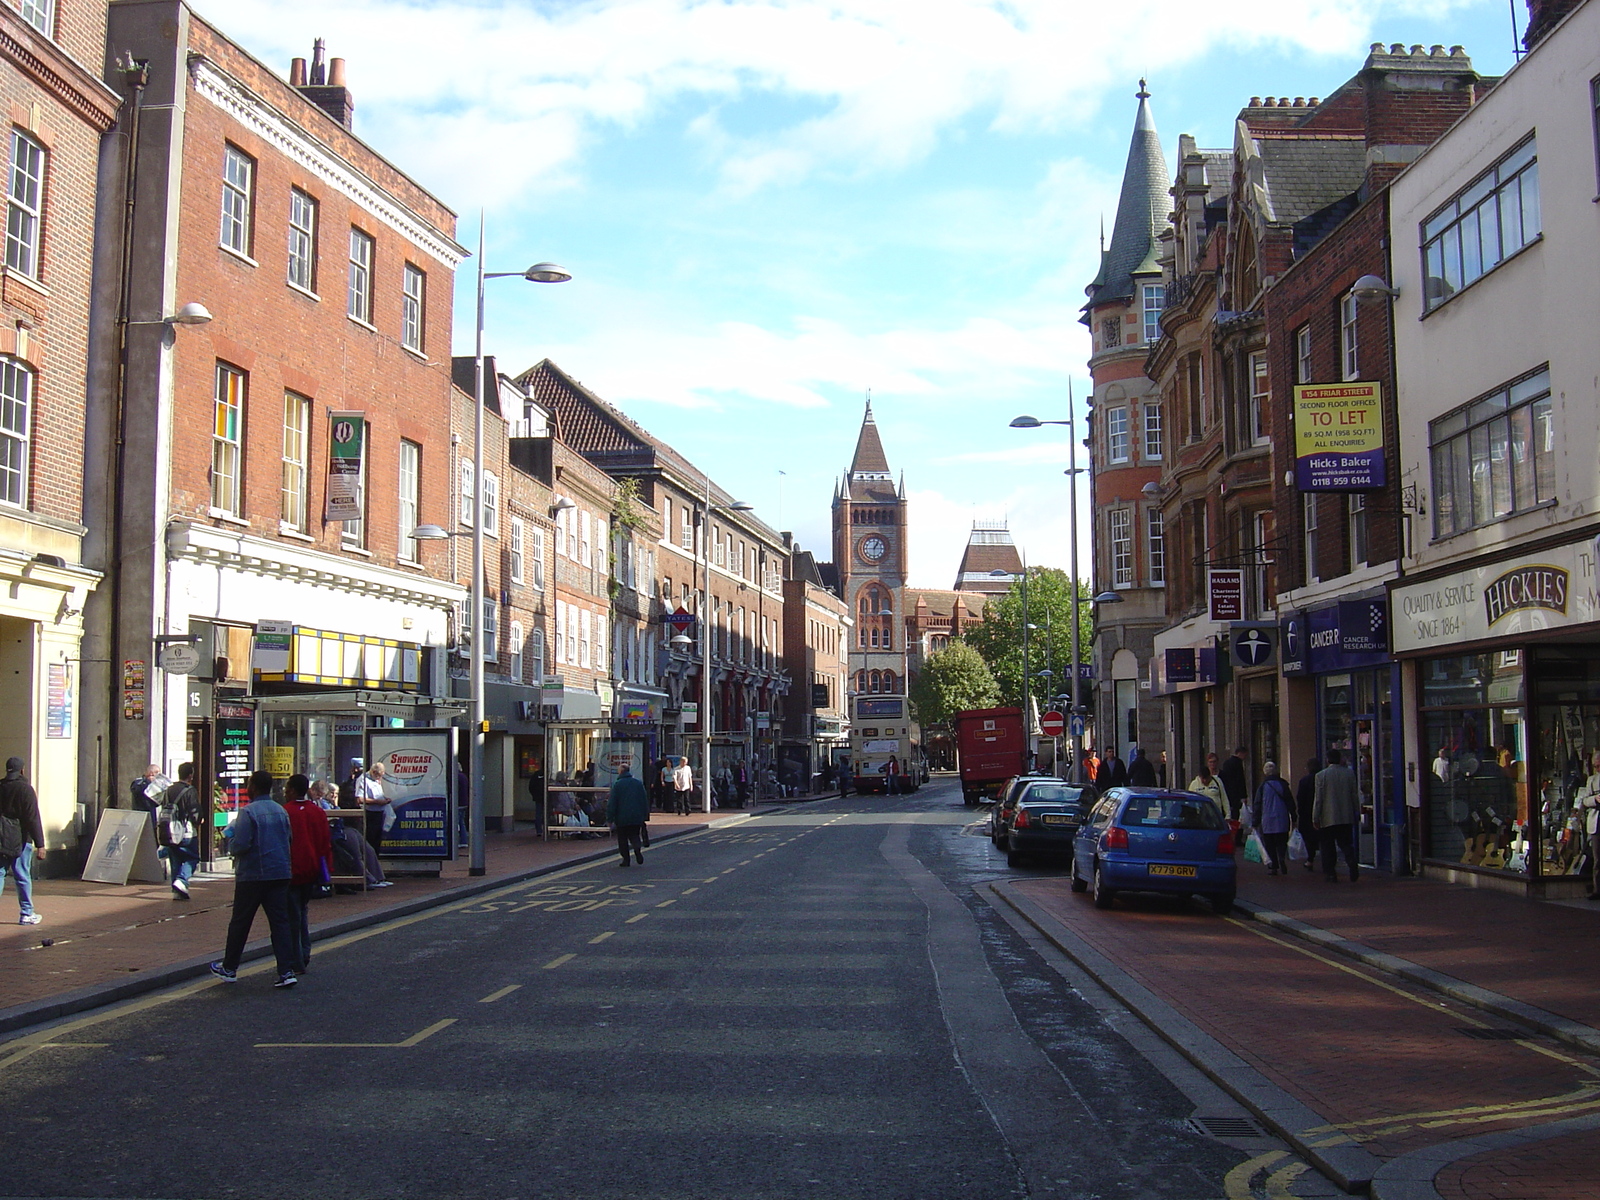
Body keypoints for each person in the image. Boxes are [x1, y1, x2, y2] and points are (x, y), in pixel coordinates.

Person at [210, 770, 299, 988]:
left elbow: (241, 845)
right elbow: (289, 839)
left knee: (240, 922)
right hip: (280, 872)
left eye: (249, 784)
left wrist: (230, 841)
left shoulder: (248, 812)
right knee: (280, 922)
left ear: (254, 787)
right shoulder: (281, 811)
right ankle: (286, 971)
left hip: (253, 874)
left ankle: (230, 967)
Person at [282, 773, 332, 975]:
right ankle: (304, 951)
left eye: (287, 789)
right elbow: (324, 843)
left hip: (291, 870)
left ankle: (297, 956)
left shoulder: (285, 812)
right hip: (311, 869)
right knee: (302, 911)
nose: (285, 792)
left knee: (293, 915)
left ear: (293, 790)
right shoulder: (317, 812)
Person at [0, 756, 44, 926]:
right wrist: (40, 843)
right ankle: (27, 913)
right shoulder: (25, 789)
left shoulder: (1, 786)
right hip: (20, 838)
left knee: (0, 873)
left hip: (1, 837)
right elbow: (32, 817)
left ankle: (27, 912)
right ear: (22, 770)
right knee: (22, 875)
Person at [1314, 749, 1361, 883]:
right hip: (1346, 816)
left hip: (1328, 817)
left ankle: (1330, 873)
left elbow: (1319, 799)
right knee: (1346, 843)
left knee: (1328, 846)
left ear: (1328, 760)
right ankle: (1351, 862)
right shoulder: (1349, 773)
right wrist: (1356, 812)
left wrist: (1315, 817)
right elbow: (1354, 795)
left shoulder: (1321, 776)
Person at [157, 763, 203, 900]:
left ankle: (177, 890)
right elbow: (195, 813)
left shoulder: (168, 790)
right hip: (185, 831)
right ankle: (182, 881)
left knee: (175, 858)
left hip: (169, 830)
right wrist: (199, 820)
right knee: (192, 858)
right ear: (190, 775)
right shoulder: (190, 791)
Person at [1253, 762, 1296, 876]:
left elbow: (1257, 805)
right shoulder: (1283, 785)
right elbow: (1290, 802)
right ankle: (1281, 857)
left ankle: (1274, 865)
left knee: (1269, 843)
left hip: (1267, 821)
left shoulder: (1262, 787)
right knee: (1282, 841)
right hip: (1282, 819)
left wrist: (1255, 821)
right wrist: (1294, 816)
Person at [609, 764, 651, 867]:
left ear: (621, 772)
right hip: (636, 816)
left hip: (621, 817)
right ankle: (637, 848)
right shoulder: (638, 783)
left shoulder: (617, 784)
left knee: (622, 839)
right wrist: (645, 815)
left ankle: (626, 860)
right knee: (634, 835)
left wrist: (610, 817)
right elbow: (644, 800)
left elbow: (612, 802)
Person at [1575, 752, 1600, 901]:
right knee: (1597, 859)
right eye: (1595, 766)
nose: (1597, 769)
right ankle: (1597, 889)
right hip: (1596, 822)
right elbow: (1584, 801)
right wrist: (1594, 799)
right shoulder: (1592, 780)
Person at [356, 761, 391, 853]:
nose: (380, 778)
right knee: (370, 842)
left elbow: (377, 794)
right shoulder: (363, 780)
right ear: (373, 772)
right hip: (370, 814)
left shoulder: (376, 780)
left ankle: (376, 860)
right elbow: (360, 799)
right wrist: (378, 802)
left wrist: (384, 799)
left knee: (377, 841)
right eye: (379, 775)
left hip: (379, 814)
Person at [1295, 758, 1322, 871]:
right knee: (1323, 837)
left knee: (1308, 838)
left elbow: (1300, 798)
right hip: (1322, 813)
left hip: (1307, 813)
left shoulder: (1304, 781)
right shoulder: (1322, 779)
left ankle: (1310, 859)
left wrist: (1300, 812)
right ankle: (1325, 861)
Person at [1219, 747, 1249, 823]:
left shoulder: (1226, 763)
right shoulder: (1238, 763)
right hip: (1236, 794)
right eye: (1245, 755)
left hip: (1228, 792)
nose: (1245, 757)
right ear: (1240, 753)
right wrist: (1243, 795)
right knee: (1236, 815)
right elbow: (1240, 780)